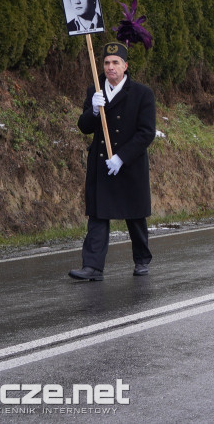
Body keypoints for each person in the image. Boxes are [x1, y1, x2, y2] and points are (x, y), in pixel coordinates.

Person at [69, 42, 156, 281]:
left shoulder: (142, 94)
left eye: (115, 63)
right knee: (98, 214)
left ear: (125, 66)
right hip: (101, 163)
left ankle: (141, 260)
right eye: (107, 63)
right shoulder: (95, 91)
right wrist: (94, 111)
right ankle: (92, 267)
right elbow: (84, 127)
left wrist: (121, 157)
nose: (110, 67)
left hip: (129, 164)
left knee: (135, 216)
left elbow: (146, 132)